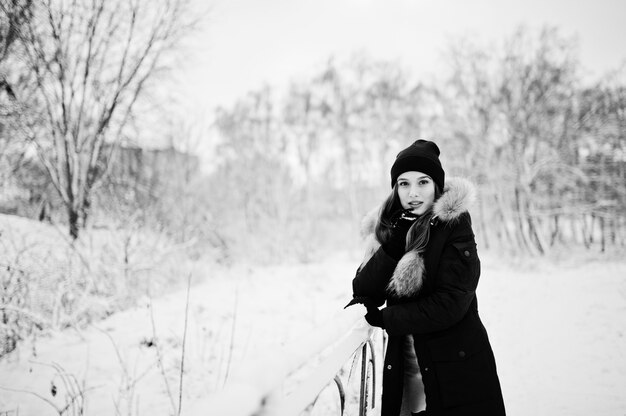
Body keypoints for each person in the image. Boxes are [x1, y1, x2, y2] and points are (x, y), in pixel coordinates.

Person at [346, 139, 505, 416]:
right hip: (408, 367)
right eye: (404, 184)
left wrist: (386, 319)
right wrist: (393, 246)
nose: (413, 193)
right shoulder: (389, 226)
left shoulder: (454, 226)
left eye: (423, 182)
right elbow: (363, 288)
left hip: (456, 367)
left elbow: (451, 302)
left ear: (436, 186)